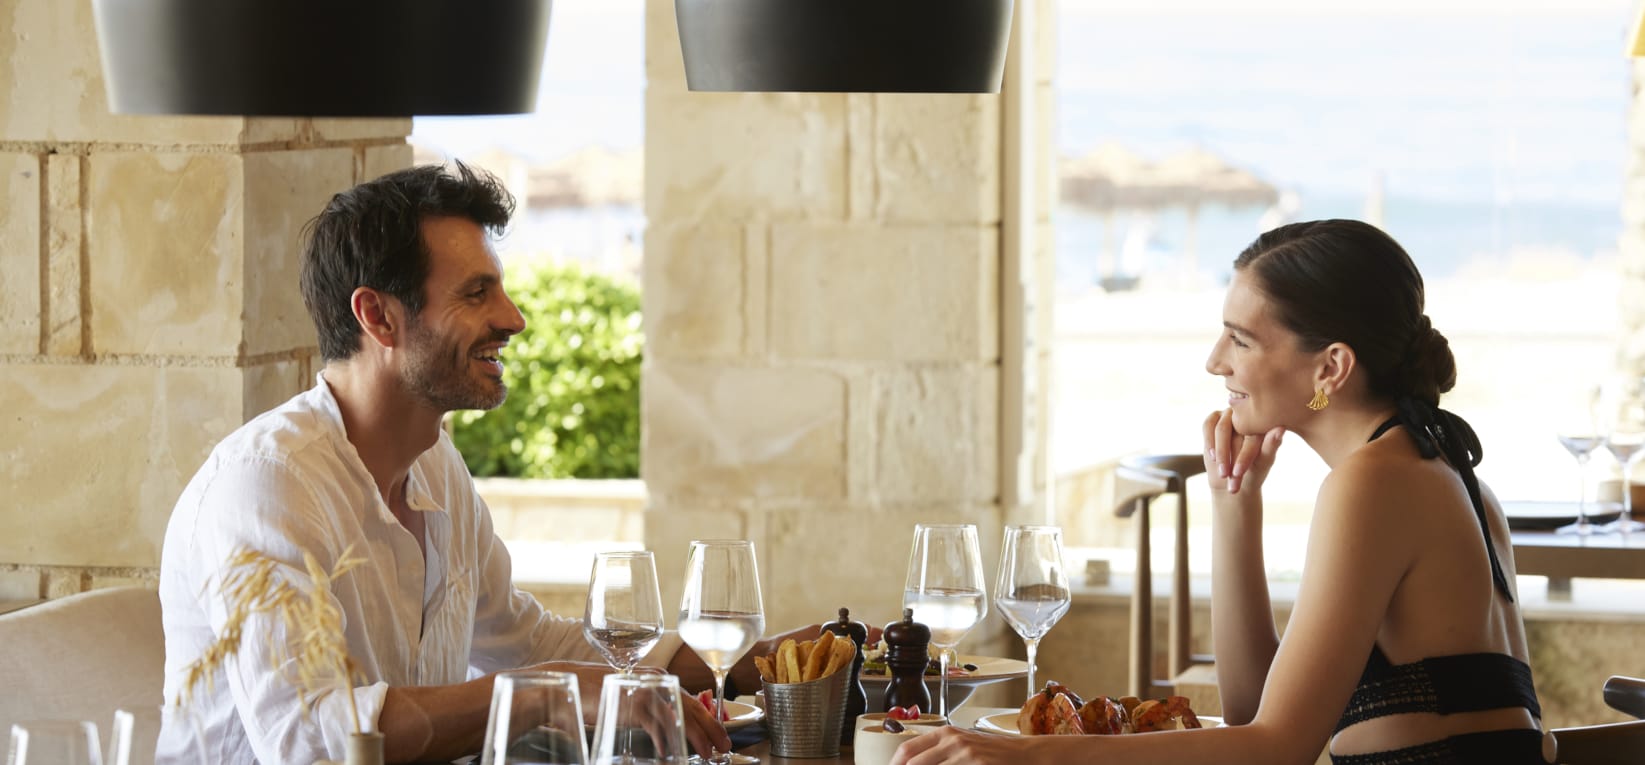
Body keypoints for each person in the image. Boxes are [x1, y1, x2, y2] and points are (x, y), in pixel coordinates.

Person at [157, 162, 811, 764]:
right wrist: (537, 695)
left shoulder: (434, 462)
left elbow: (535, 646)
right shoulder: (268, 484)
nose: (514, 318)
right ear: (378, 316)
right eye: (477, 293)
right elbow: (310, 739)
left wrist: (767, 661)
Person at [893, 220, 1544, 765]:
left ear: (1331, 367)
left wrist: (1021, 755)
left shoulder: (1372, 481)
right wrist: (1235, 506)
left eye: (1240, 338)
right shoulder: (1450, 471)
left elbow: (1276, 748)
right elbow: (1252, 713)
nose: (1215, 360)